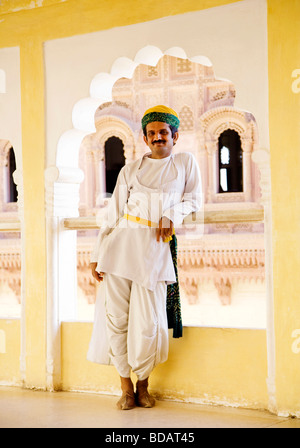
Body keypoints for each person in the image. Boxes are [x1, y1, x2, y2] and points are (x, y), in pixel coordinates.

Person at [87, 105, 202, 410]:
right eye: (151, 133)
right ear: (144, 137)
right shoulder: (130, 170)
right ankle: (125, 388)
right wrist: (96, 255)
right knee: (117, 320)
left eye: (163, 132)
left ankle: (143, 385)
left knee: (149, 323)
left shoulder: (185, 163)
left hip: (153, 252)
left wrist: (170, 214)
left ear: (174, 135)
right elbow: (112, 215)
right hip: (119, 249)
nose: (157, 137)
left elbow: (194, 199)